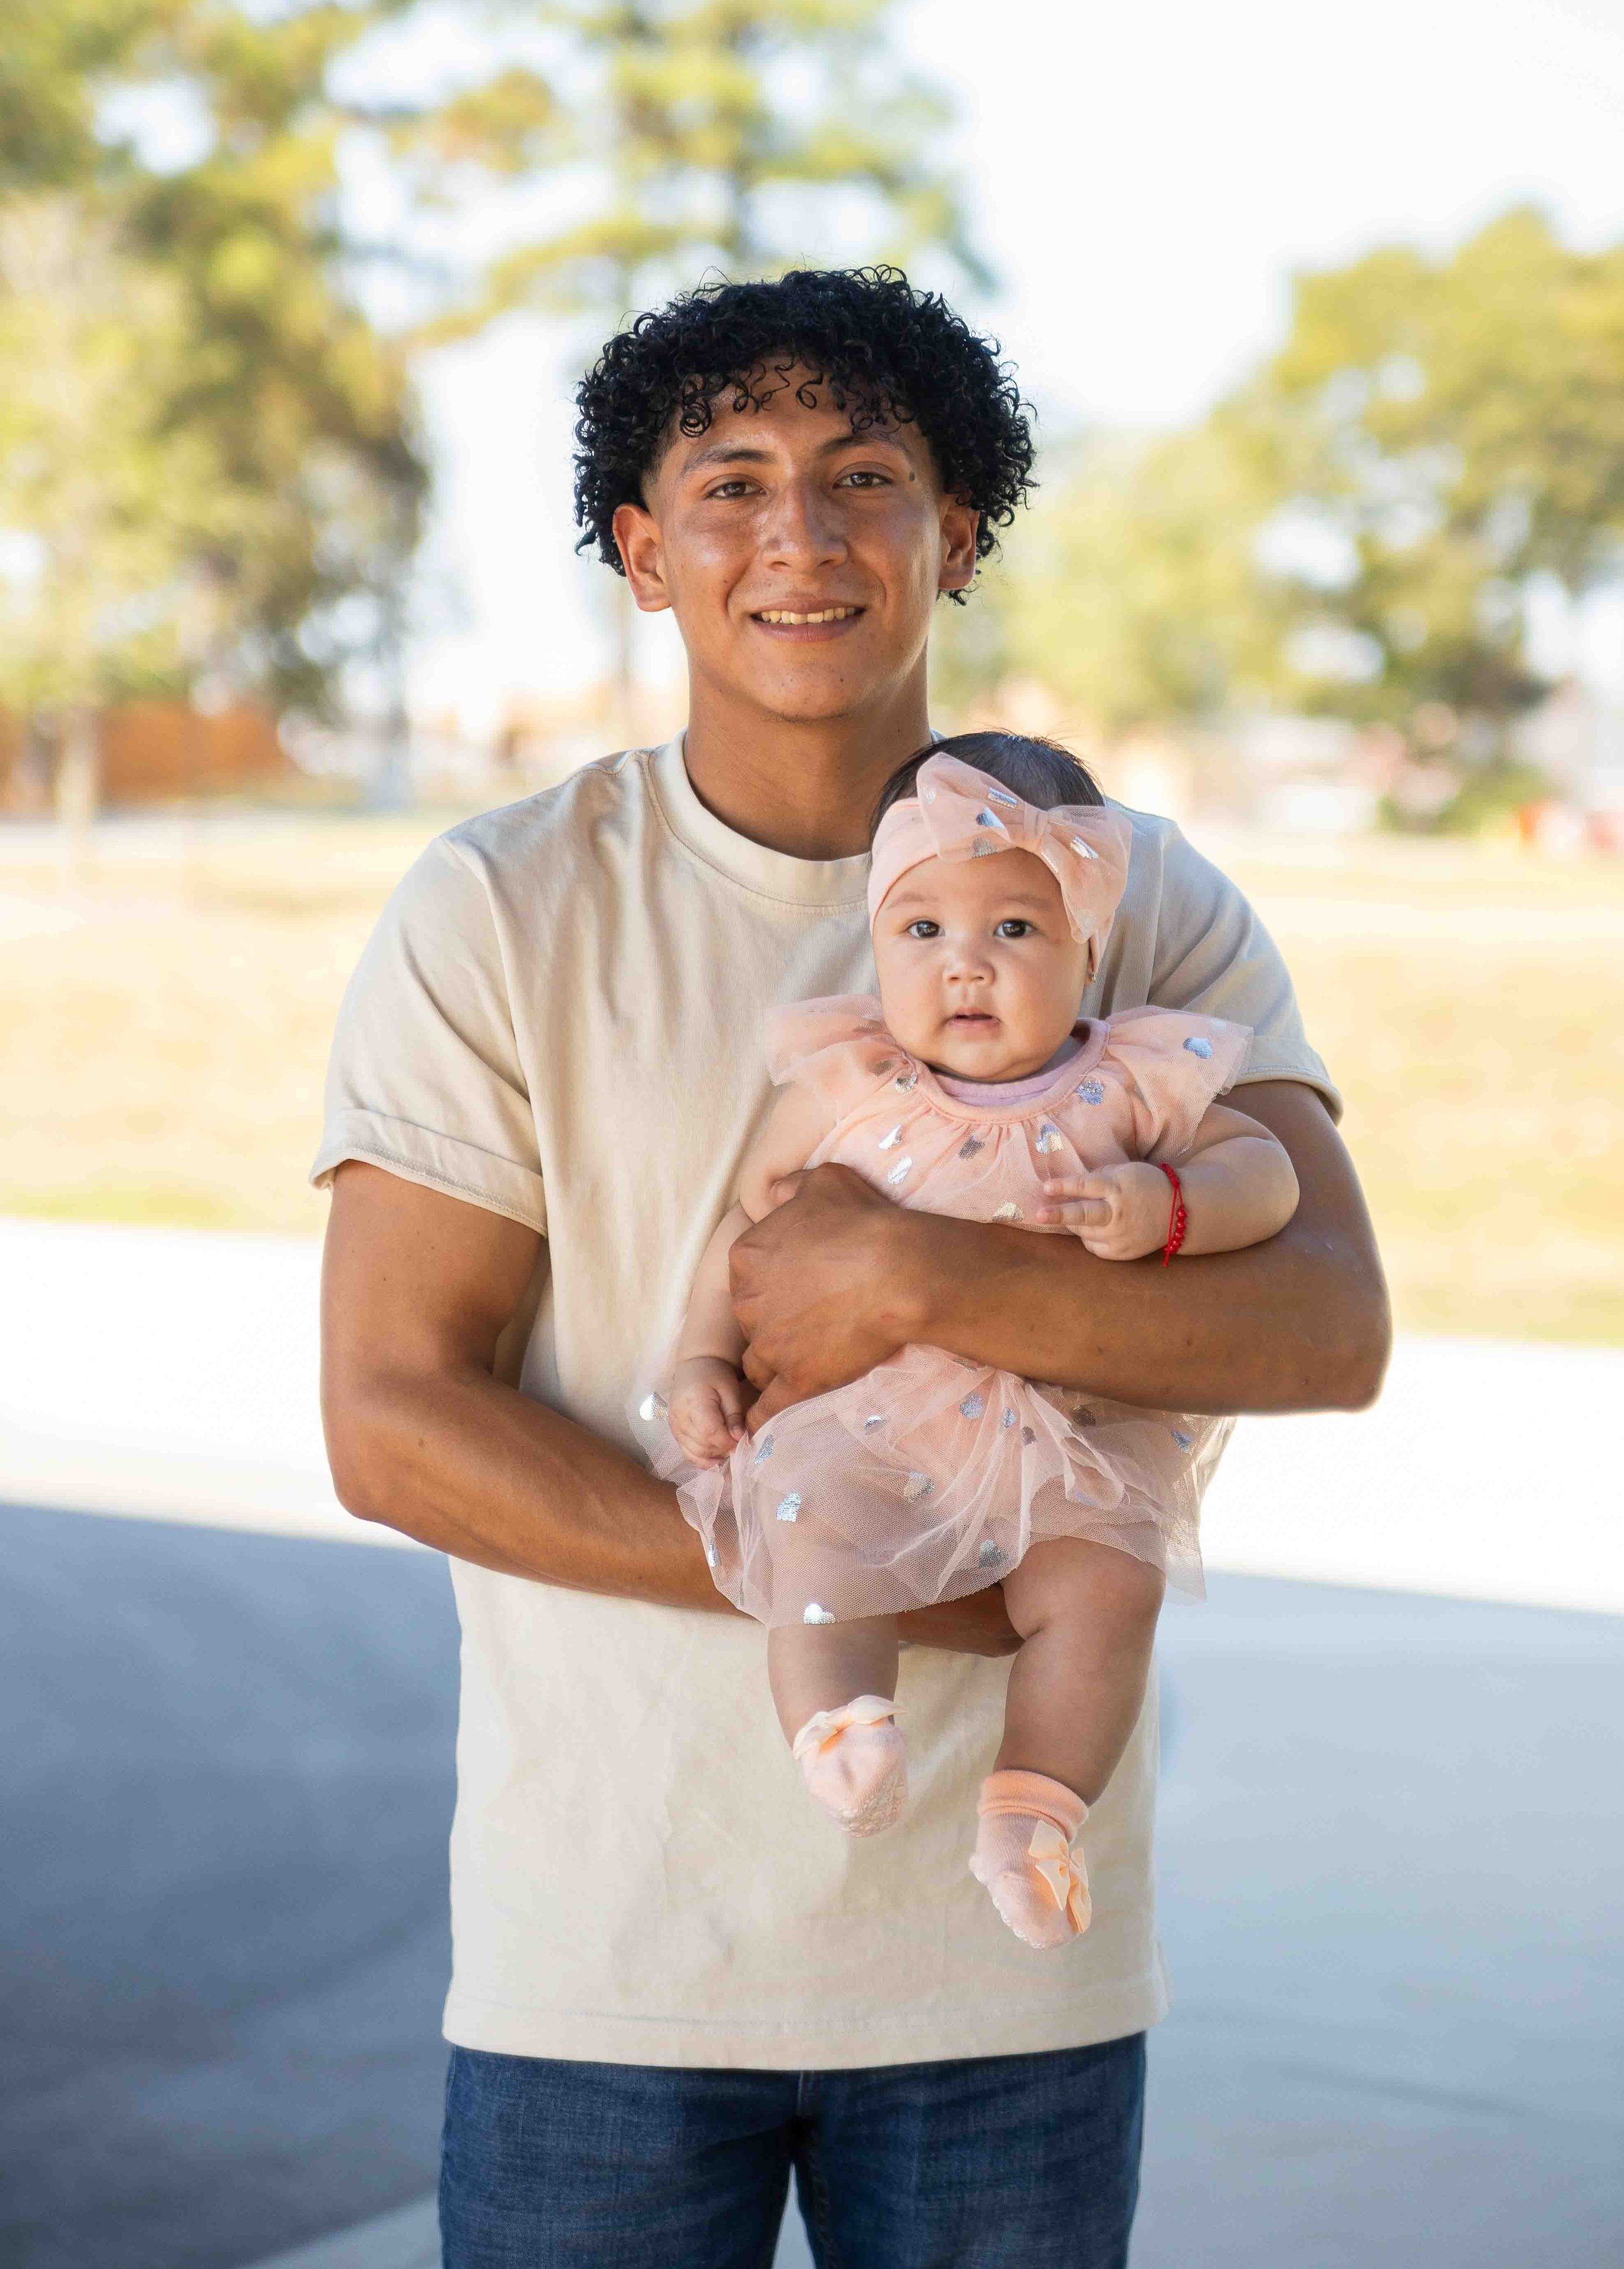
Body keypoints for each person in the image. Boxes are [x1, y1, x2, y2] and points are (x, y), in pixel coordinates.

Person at [314, 266, 1389, 2269]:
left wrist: (916, 1277)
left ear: (955, 530)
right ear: (641, 554)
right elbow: (391, 1419)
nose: (797, 533)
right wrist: (891, 1577)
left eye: (863, 472)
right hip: (606, 1961)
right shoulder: (501, 903)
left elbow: (1327, 1321)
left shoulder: (1129, 897)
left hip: (1008, 1977)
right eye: (728, 481)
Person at [652, 733, 1300, 1949]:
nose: (966, 966)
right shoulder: (849, 1080)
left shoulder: (1136, 1076)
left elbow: (1264, 1175)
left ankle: (1034, 1813)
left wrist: (1171, 1208)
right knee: (807, 1528)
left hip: (1069, 1431)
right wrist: (698, 1356)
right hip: (876, 1421)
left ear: (1087, 949)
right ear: (877, 941)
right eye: (923, 932)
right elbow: (750, 1224)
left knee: (1107, 1590)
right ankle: (840, 1726)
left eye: (1015, 930)